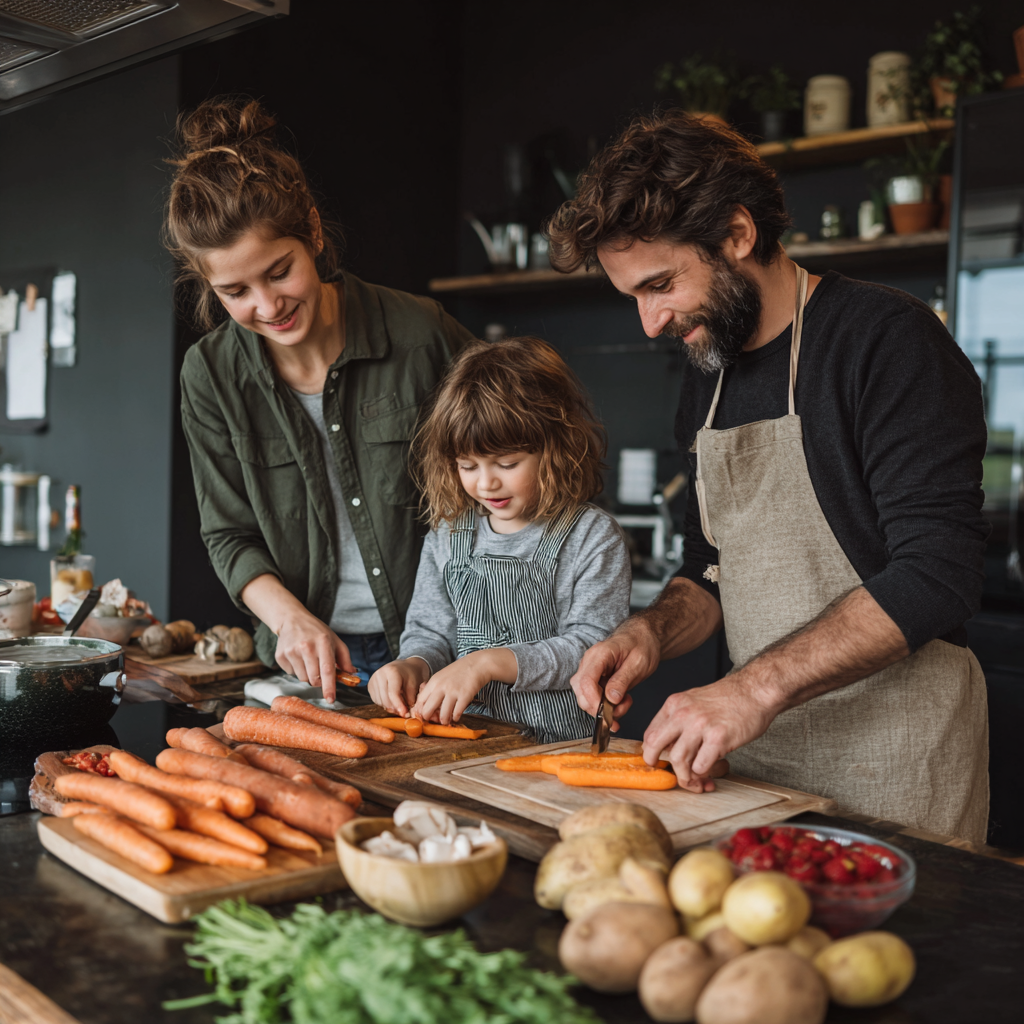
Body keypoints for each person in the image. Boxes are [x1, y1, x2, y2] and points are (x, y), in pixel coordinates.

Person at [547, 110, 990, 843]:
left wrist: (750, 688)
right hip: (760, 765)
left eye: (660, 284)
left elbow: (938, 573)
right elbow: (709, 570)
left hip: (898, 765)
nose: (649, 322)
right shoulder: (708, 372)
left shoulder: (887, 340)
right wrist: (650, 632)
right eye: (633, 296)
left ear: (738, 235)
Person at [166, 97, 475, 702]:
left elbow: (524, 457)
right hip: (309, 658)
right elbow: (229, 535)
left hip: (445, 650)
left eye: (279, 271)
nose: (267, 305)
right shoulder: (210, 374)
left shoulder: (421, 335)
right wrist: (290, 620)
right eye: (235, 291)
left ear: (311, 229)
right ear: (209, 287)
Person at [367, 337, 632, 744]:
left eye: (507, 463)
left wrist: (487, 663)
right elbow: (431, 632)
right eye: (468, 466)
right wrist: (413, 664)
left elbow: (590, 649)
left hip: (559, 746)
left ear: (555, 447)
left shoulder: (592, 537)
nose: (486, 482)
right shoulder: (448, 534)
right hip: (464, 741)